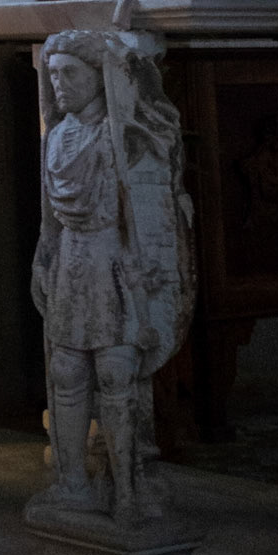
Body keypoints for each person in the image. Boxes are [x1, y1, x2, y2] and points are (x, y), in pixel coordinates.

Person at [30, 30, 192, 523]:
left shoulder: (125, 136)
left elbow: (155, 200)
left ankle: (128, 489)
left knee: (116, 373)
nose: (59, 84)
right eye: (53, 74)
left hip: (116, 262)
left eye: (70, 73)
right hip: (72, 264)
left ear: (98, 77)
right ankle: (73, 483)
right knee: (66, 373)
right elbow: (50, 218)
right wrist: (44, 255)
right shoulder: (57, 134)